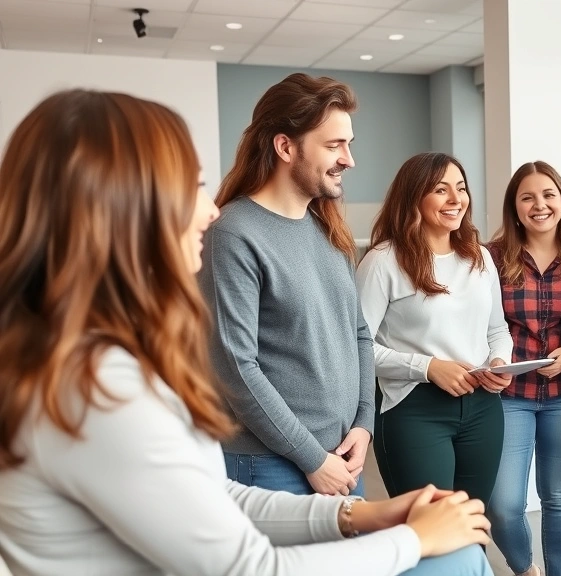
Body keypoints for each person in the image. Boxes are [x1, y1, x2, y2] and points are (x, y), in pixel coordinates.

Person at [0, 89, 497, 576]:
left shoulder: (98, 365)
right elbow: (250, 564)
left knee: (459, 555)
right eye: (191, 187)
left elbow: (210, 493)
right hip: (277, 465)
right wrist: (412, 539)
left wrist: (361, 512)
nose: (211, 209)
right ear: (125, 209)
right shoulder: (99, 390)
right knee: (460, 558)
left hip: (332, 466)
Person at [198, 73, 372, 496]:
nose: (349, 159)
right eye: (334, 146)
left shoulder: (329, 230)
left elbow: (360, 335)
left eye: (348, 144)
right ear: (285, 147)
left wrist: (364, 424)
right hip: (273, 465)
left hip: (342, 456)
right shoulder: (234, 234)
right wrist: (311, 458)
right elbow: (235, 368)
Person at [356, 152, 514, 504]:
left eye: (461, 188)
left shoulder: (480, 256)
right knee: (430, 529)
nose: (456, 200)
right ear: (414, 197)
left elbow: (497, 329)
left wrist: (500, 362)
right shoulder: (382, 261)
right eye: (442, 190)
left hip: (483, 406)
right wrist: (428, 367)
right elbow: (356, 347)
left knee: (472, 525)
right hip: (414, 409)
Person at [485, 161, 561, 576]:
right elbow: (480, 321)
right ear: (514, 206)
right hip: (511, 396)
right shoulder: (490, 257)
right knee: (504, 503)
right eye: (527, 197)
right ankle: (526, 570)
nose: (539, 204)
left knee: (559, 495)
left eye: (548, 195)